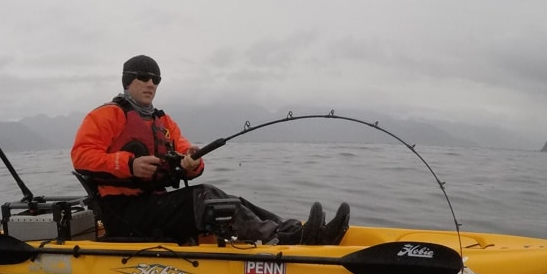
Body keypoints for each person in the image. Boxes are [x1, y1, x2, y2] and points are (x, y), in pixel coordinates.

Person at [70, 54, 349, 245]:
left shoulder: (163, 121)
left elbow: (187, 154)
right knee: (207, 197)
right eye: (143, 77)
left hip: (154, 205)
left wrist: (193, 163)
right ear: (127, 81)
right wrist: (130, 165)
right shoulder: (108, 115)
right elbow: (81, 156)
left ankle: (296, 231)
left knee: (224, 198)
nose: (151, 84)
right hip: (123, 213)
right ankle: (291, 238)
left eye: (156, 79)